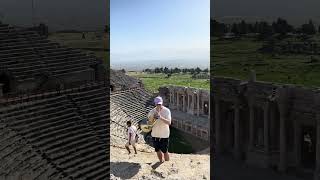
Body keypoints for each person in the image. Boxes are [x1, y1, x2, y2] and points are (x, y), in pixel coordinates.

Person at [147, 96, 171, 162]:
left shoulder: (166, 111)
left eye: (160, 104)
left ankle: (167, 163)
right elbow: (149, 124)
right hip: (155, 134)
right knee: (157, 150)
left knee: (165, 151)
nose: (158, 105)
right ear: (155, 104)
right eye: (157, 104)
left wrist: (160, 117)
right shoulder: (151, 112)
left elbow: (169, 122)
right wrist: (153, 119)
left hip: (164, 135)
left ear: (162, 103)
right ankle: (161, 161)